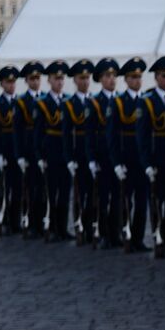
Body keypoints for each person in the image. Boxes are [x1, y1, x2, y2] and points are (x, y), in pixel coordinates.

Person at [140, 56, 165, 256]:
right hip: (157, 160)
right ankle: (159, 240)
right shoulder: (148, 100)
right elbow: (143, 136)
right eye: (164, 76)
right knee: (156, 203)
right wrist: (147, 163)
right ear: (156, 77)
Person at [110, 57, 149, 253]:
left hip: (142, 160)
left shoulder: (146, 101)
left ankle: (138, 237)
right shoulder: (118, 102)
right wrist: (116, 162)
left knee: (142, 202)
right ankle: (122, 234)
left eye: (139, 77)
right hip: (126, 158)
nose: (137, 80)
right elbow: (112, 135)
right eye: (133, 77)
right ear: (126, 80)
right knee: (124, 201)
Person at [64, 60, 99, 245]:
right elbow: (66, 134)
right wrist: (69, 158)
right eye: (81, 78)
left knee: (95, 196)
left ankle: (94, 227)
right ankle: (80, 228)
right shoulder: (70, 104)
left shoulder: (95, 102)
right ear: (75, 80)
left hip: (94, 156)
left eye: (87, 78)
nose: (85, 81)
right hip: (79, 156)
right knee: (80, 195)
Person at [36, 62, 72, 242]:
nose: (59, 82)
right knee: (50, 192)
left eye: (61, 78)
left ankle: (63, 228)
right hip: (50, 151)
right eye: (56, 78)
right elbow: (38, 132)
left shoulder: (68, 101)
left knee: (65, 192)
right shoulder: (43, 103)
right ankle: (50, 227)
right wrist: (40, 156)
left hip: (65, 153)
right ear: (49, 80)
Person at [0, 65, 22, 235]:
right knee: (5, 188)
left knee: (18, 188)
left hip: (17, 151)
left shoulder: (20, 103)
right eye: (7, 82)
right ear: (1, 84)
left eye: (13, 82)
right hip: (5, 150)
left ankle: (16, 221)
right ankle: (5, 220)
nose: (11, 85)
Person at [16, 62, 47, 238]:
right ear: (27, 81)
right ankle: (32, 223)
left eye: (37, 78)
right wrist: (20, 154)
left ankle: (44, 221)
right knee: (31, 189)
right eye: (32, 79)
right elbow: (17, 131)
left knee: (43, 189)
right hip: (28, 151)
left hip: (43, 149)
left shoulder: (44, 98)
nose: (35, 82)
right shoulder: (22, 102)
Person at [92, 59, 120, 248]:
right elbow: (89, 134)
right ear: (100, 79)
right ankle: (103, 233)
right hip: (102, 155)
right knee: (103, 198)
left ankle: (116, 233)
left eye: (113, 76)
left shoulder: (121, 100)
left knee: (118, 197)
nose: (111, 80)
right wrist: (92, 158)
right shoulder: (95, 102)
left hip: (118, 156)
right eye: (107, 76)